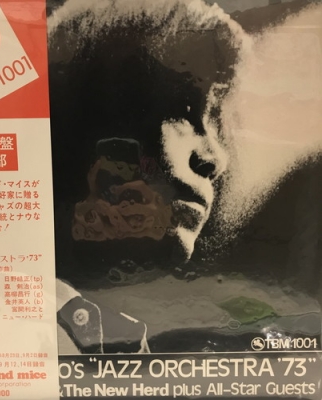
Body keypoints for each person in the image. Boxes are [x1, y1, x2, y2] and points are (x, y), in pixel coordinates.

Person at [47, 0, 321, 353]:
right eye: (185, 113)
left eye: (216, 124)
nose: (215, 159)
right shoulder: (19, 333)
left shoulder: (126, 335)